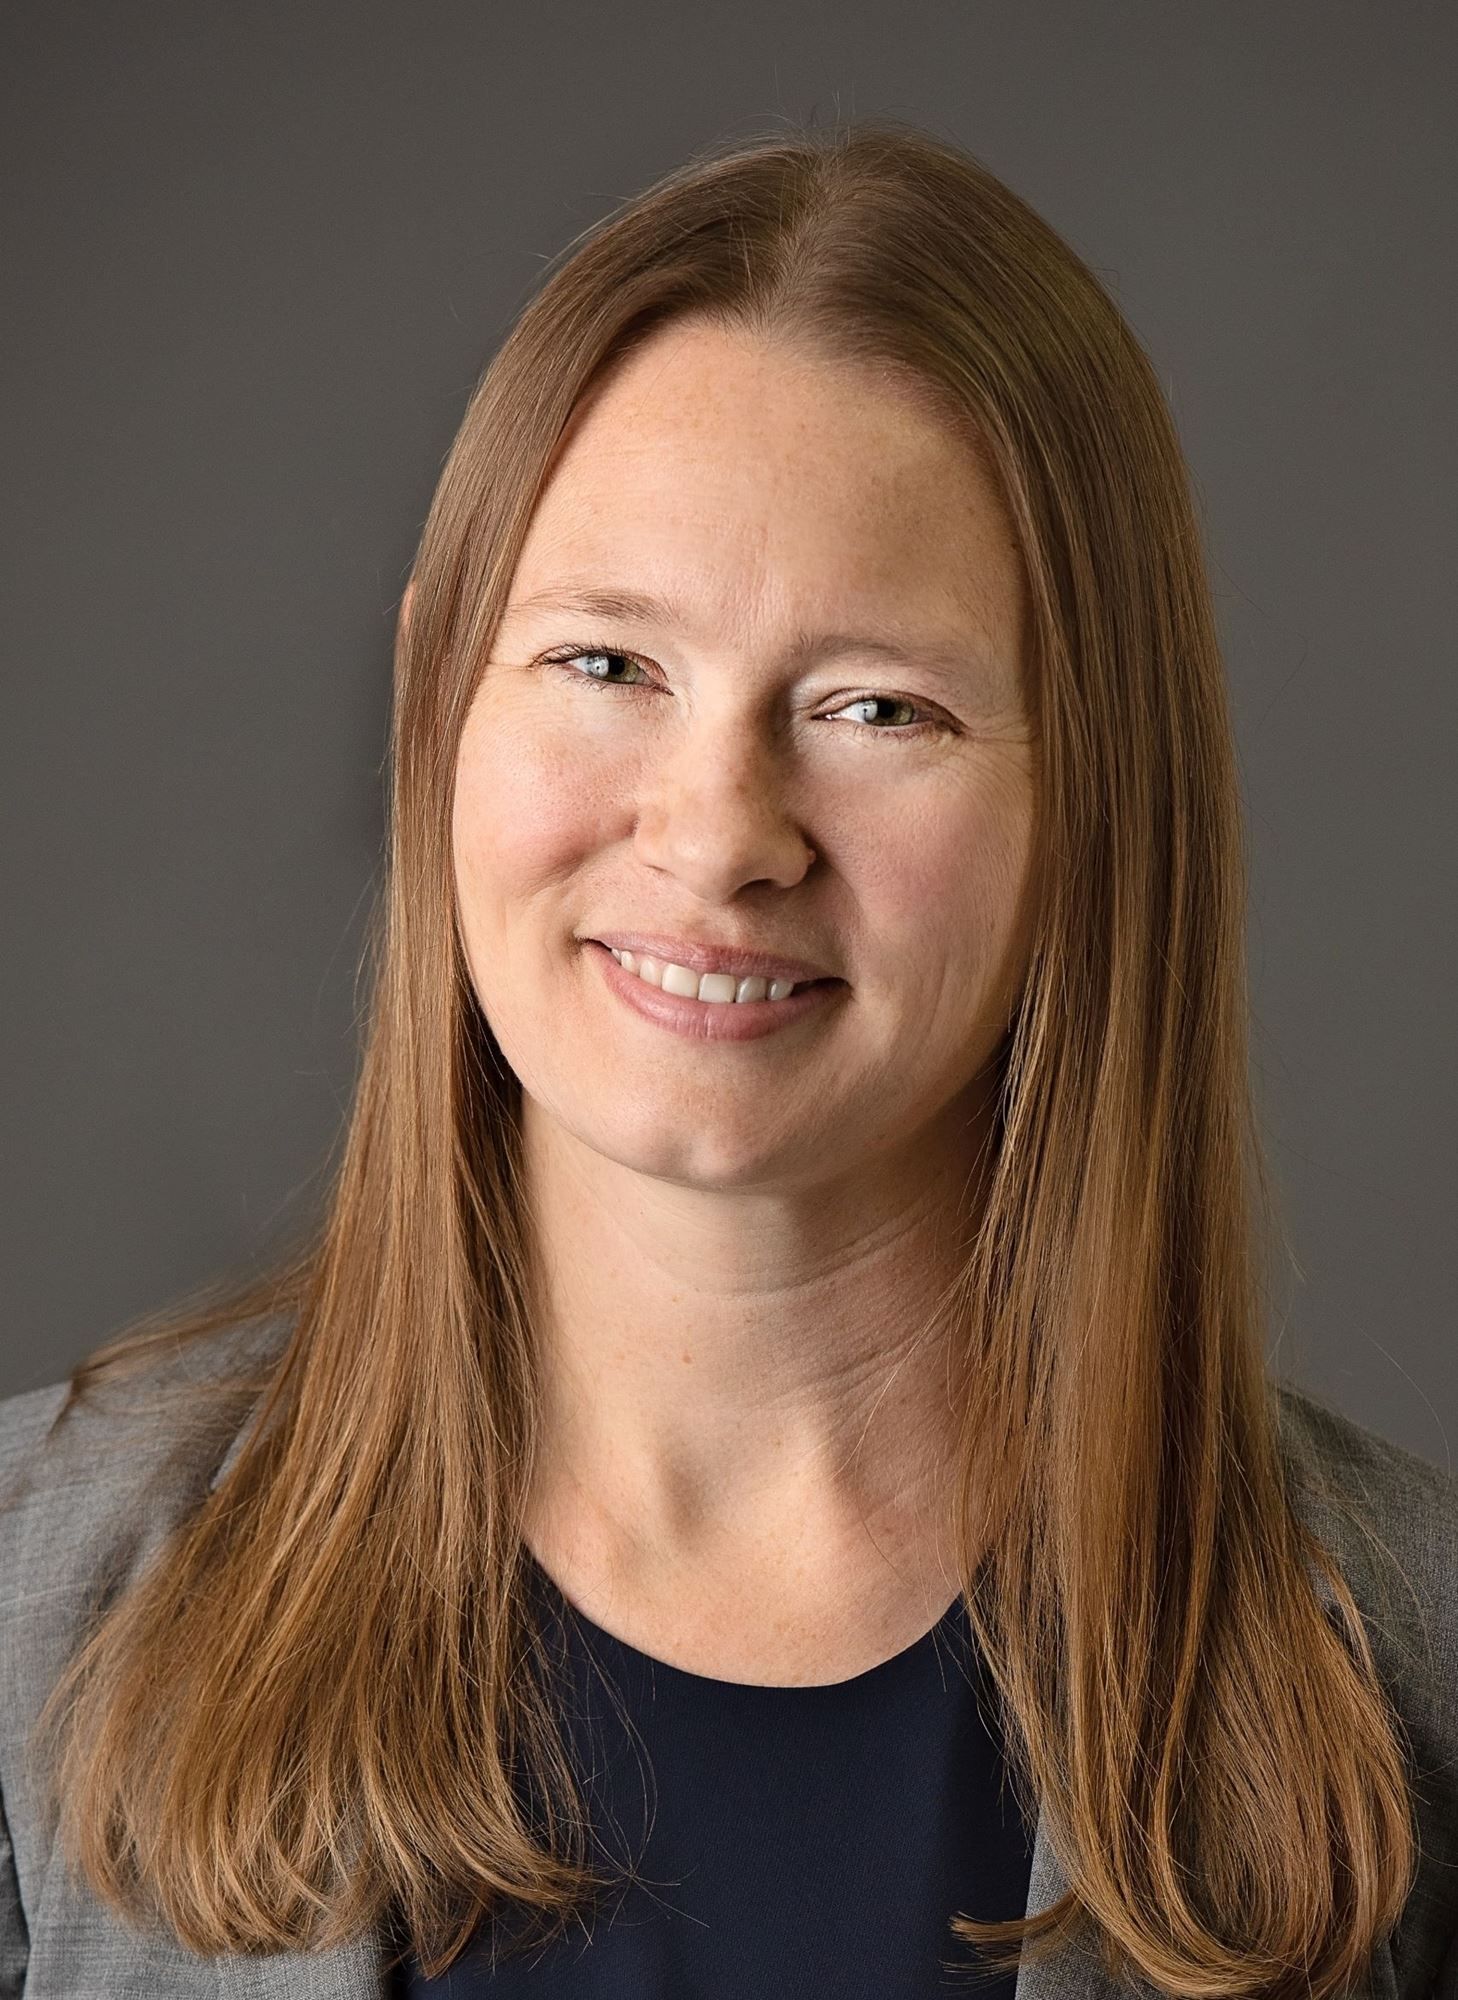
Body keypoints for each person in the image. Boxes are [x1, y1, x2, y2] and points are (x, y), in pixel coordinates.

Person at [1, 118, 1454, 2000]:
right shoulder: (29, 1611)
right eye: (608, 664)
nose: (716, 835)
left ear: (1106, 805)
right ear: (436, 696)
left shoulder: (1412, 1691)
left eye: (874, 706)